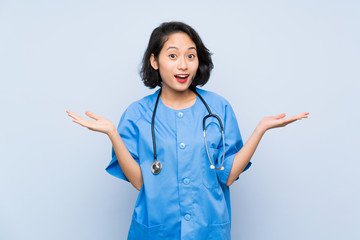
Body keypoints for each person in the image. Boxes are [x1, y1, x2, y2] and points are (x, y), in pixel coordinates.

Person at [66, 21, 309, 240]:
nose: (183, 65)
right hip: (157, 231)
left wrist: (260, 130)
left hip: (208, 230)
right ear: (154, 61)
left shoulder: (218, 107)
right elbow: (140, 182)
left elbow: (229, 175)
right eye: (172, 56)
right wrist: (112, 132)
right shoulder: (137, 113)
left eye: (190, 56)